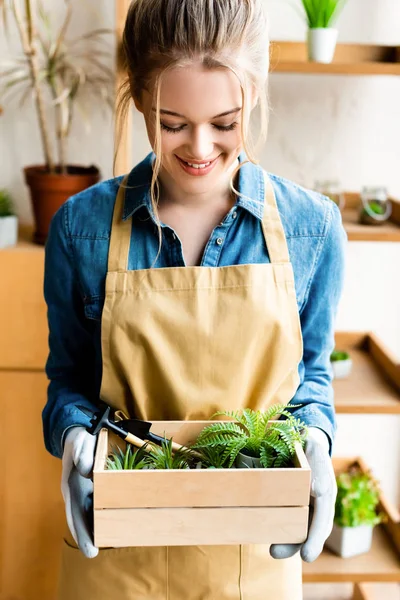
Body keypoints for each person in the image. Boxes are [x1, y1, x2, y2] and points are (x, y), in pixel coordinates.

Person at [42, 0, 347, 598]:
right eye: (173, 122)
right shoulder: (81, 229)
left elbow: (309, 377)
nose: (199, 148)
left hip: (254, 560)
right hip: (116, 560)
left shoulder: (312, 229)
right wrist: (76, 436)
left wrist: (316, 440)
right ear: (138, 99)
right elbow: (70, 380)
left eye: (224, 123)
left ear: (254, 95)